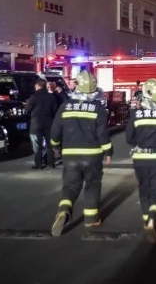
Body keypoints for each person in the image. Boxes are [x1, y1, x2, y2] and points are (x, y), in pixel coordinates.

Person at [49, 70, 112, 236]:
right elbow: (102, 134)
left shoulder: (65, 106)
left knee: (70, 186)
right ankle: (91, 219)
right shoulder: (97, 108)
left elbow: (55, 130)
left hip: (70, 155)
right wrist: (108, 151)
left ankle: (64, 209)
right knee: (92, 185)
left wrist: (54, 144)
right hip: (93, 155)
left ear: (77, 85)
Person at [125, 78, 156, 243]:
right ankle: (152, 219)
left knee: (144, 189)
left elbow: (129, 138)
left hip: (140, 159)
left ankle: (146, 220)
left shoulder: (136, 114)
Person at [25, 79, 58, 169]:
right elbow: (55, 110)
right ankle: (51, 163)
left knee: (37, 145)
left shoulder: (34, 96)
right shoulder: (51, 97)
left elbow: (27, 108)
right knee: (49, 145)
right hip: (49, 124)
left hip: (36, 124)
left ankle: (38, 164)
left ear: (38, 86)